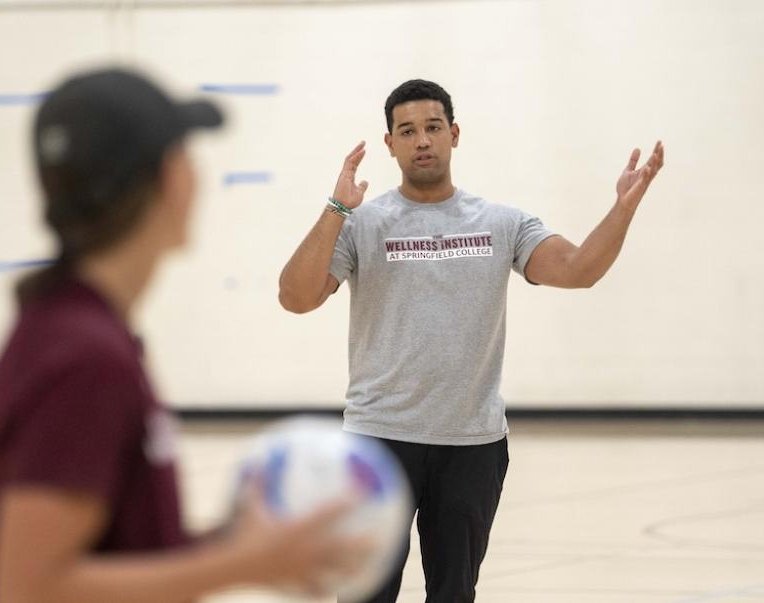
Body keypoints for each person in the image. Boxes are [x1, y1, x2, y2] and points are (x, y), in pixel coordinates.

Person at [0, 68, 362, 603]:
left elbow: (113, 554)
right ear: (169, 180)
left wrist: (236, 543)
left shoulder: (69, 331)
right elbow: (27, 588)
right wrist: (240, 562)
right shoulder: (84, 359)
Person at [278, 79, 664, 602]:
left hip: (471, 445)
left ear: (454, 134)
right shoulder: (363, 224)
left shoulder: (502, 223)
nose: (422, 141)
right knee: (363, 593)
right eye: (407, 131)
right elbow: (296, 298)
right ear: (389, 143)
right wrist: (336, 209)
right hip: (378, 440)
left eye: (433, 128)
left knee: (454, 594)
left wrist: (623, 208)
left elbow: (578, 270)